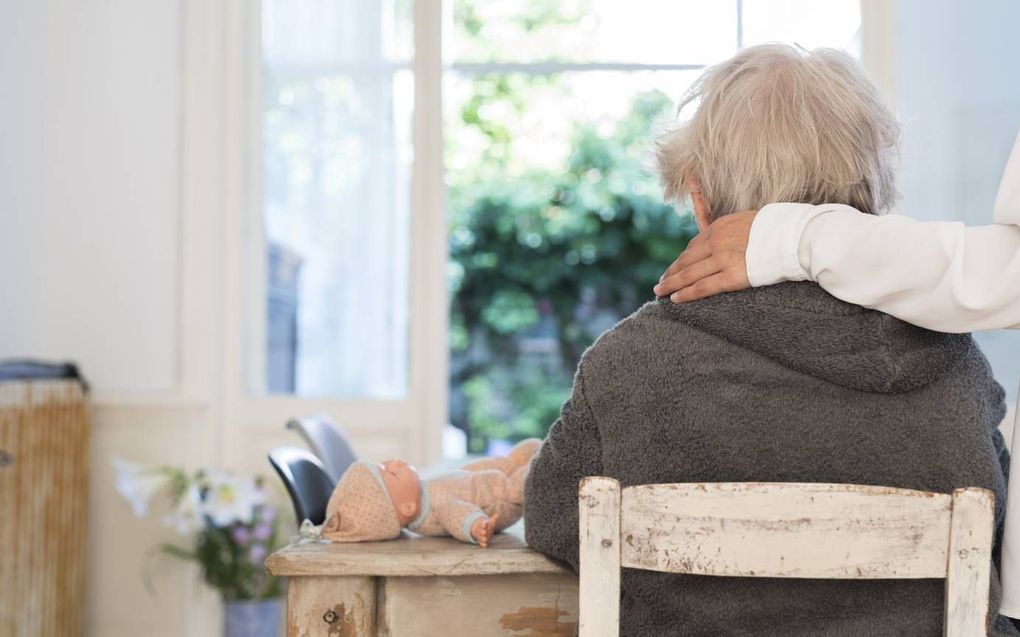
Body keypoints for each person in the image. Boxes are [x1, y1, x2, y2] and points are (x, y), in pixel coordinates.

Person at [524, 44, 1017, 635]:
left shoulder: (628, 362)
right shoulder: (955, 364)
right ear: (875, 198)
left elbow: (556, 519)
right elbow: (989, 539)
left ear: (699, 200)